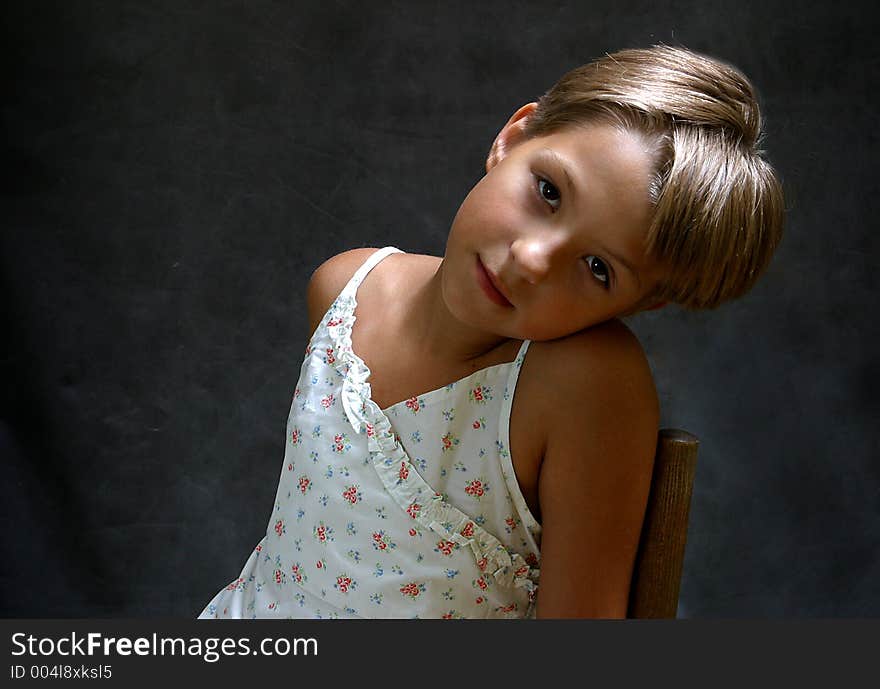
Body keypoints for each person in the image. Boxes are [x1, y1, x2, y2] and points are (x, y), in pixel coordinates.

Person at [197, 45, 784, 619]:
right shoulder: (343, 286)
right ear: (515, 137)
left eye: (598, 268)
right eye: (549, 192)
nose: (532, 260)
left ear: (644, 302)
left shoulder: (583, 386)